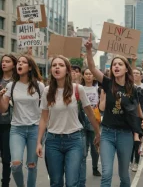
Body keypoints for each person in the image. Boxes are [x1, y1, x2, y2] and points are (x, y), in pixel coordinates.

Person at [85, 35, 142, 187]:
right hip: (108, 134)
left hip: (125, 135)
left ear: (126, 69)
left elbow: (138, 114)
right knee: (107, 173)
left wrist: (138, 135)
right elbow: (91, 67)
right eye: (114, 64)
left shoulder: (134, 90)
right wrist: (89, 50)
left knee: (124, 176)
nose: (116, 66)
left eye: (120, 64)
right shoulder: (107, 82)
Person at [36, 56, 100, 187]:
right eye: (54, 65)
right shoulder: (47, 91)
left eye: (61, 65)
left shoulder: (78, 89)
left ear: (67, 70)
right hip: (53, 141)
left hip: (74, 141)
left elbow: (89, 112)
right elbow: (43, 118)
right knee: (56, 182)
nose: (57, 67)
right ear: (51, 70)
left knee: (72, 183)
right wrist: (39, 142)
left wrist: (98, 133)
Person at [0, 55, 44, 187]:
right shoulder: (11, 85)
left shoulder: (39, 86)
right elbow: (3, 109)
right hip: (16, 129)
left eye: (23, 62)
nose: (19, 64)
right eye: (18, 62)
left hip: (34, 129)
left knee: (31, 166)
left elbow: (46, 109)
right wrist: (0, 97)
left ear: (30, 67)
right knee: (16, 165)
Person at [78, 68, 102, 187]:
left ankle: (95, 167)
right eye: (86, 74)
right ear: (83, 76)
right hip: (81, 119)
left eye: (90, 74)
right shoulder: (79, 88)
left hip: (94, 120)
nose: (88, 76)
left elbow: (101, 104)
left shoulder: (98, 88)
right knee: (83, 147)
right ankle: (81, 170)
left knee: (94, 145)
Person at [0, 54, 17, 187]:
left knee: (6, 158)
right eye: (3, 61)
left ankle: (5, 183)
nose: (4, 63)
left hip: (9, 124)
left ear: (14, 64)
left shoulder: (17, 82)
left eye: (7, 61)